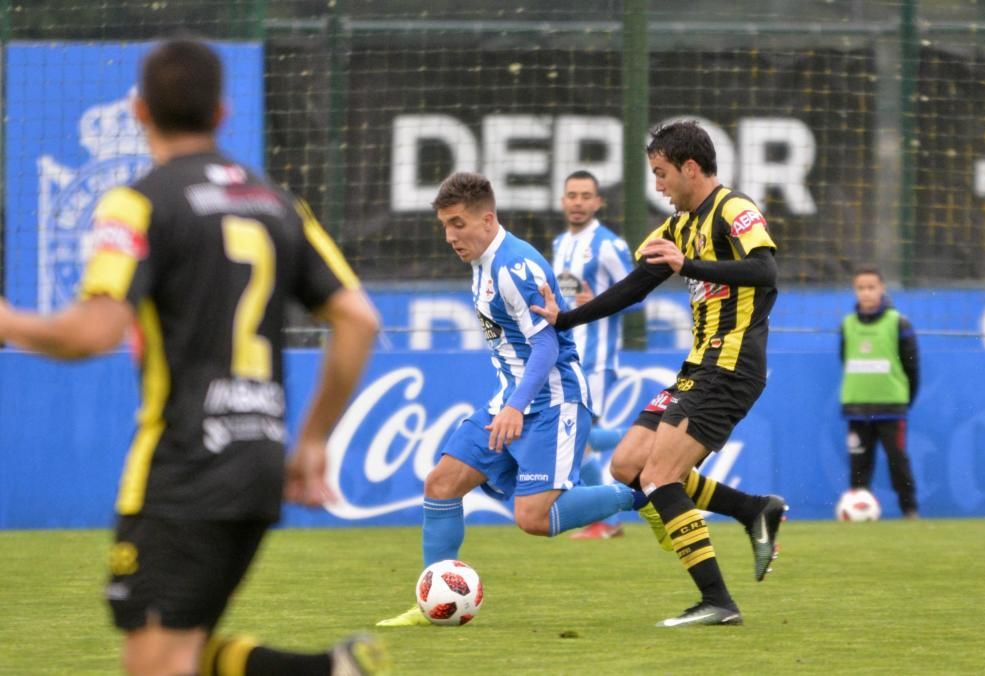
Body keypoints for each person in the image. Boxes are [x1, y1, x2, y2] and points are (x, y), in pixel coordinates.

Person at [0, 40, 387, 676]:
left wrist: (10, 318)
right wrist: (314, 438)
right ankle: (331, 670)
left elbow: (93, 333)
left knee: (156, 661)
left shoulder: (140, 202)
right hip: (258, 461)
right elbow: (358, 318)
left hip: (181, 467)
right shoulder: (278, 204)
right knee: (171, 650)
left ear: (139, 110)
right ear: (222, 114)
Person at [532, 120, 787, 627]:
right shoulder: (674, 229)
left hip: (732, 363)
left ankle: (718, 602)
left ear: (690, 167)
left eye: (662, 172)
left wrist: (687, 266)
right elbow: (634, 286)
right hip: (700, 366)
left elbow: (766, 272)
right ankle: (751, 508)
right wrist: (567, 317)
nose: (658, 185)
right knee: (627, 465)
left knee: (659, 476)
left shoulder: (733, 209)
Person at [376, 172, 645, 627]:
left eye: (458, 224)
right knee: (441, 483)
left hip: (552, 401)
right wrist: (510, 402)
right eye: (444, 225)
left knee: (534, 518)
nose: (450, 236)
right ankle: (432, 599)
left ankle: (638, 495)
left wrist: (516, 407)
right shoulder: (482, 263)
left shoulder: (513, 267)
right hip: (511, 398)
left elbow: (547, 347)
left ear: (488, 218)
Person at [551, 170, 635, 540]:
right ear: (563, 201)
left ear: (598, 202)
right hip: (565, 357)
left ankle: (606, 518)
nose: (579, 202)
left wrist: (599, 303)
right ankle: (604, 519)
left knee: (579, 438)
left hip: (596, 359)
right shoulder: (558, 245)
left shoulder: (609, 246)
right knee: (575, 438)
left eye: (586, 195)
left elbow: (637, 295)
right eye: (572, 195)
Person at [839, 265, 920, 518]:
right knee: (858, 464)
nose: (866, 293)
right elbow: (845, 359)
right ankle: (858, 510)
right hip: (856, 407)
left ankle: (909, 509)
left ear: (882, 289)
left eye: (871, 287)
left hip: (890, 407)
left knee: (898, 461)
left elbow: (912, 367)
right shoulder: (848, 324)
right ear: (855, 291)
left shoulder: (898, 323)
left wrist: (904, 400)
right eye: (861, 288)